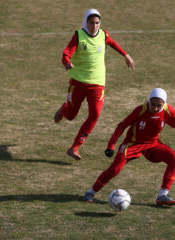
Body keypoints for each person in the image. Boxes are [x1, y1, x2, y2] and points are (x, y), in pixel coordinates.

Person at [83, 88, 175, 205]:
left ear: (163, 103)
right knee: (115, 169)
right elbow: (121, 126)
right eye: (152, 104)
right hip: (132, 144)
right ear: (149, 101)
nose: (154, 108)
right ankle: (91, 192)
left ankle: (163, 195)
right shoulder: (141, 110)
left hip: (152, 144)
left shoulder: (168, 111)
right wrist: (111, 146)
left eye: (158, 105)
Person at [54, 9, 135, 160]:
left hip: (97, 84)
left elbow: (113, 43)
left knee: (95, 114)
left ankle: (75, 147)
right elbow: (66, 53)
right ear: (86, 22)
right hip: (78, 82)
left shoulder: (103, 35)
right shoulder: (79, 35)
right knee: (71, 116)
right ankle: (65, 108)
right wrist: (67, 63)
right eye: (91, 23)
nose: (94, 26)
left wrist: (126, 55)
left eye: (97, 23)